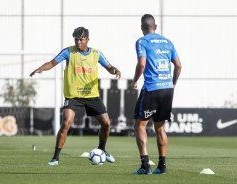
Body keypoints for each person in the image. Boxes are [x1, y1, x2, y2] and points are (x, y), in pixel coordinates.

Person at [30, 27, 121, 166]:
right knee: (66, 123)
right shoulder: (68, 52)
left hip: (92, 95)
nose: (78, 42)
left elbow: (108, 67)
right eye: (76, 39)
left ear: (87, 40)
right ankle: (55, 158)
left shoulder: (97, 54)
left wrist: (114, 69)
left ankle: (102, 150)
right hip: (73, 96)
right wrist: (40, 69)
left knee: (107, 124)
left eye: (81, 39)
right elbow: (52, 63)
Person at [131, 14, 182, 175]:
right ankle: (162, 166)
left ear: (141, 27)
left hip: (152, 88)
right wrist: (172, 83)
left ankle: (145, 166)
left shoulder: (142, 42)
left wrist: (134, 81)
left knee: (140, 125)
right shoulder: (167, 42)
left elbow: (142, 63)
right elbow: (179, 66)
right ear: (156, 26)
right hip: (167, 89)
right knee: (160, 127)